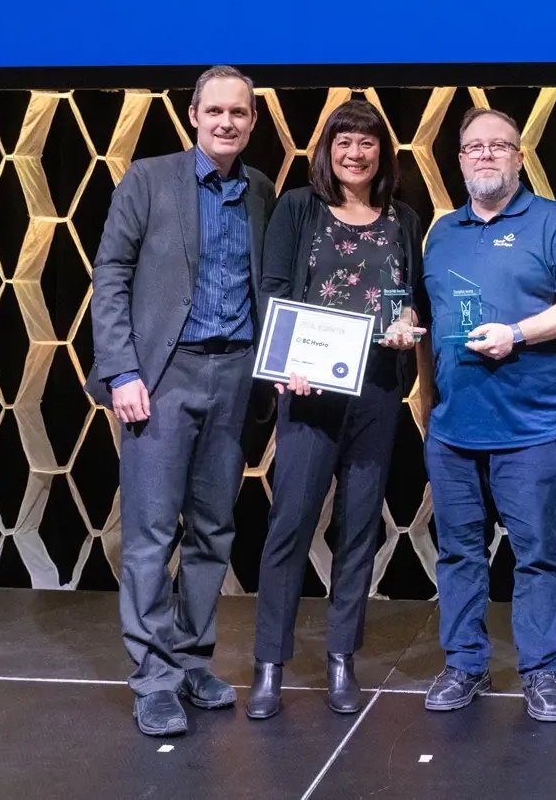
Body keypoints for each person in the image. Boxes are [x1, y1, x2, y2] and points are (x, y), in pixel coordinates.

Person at [88, 66, 276, 737]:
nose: (227, 122)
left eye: (239, 113)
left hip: (236, 376)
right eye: (215, 111)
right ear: (193, 115)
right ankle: (154, 677)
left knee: (214, 529)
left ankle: (194, 660)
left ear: (253, 121)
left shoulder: (260, 190)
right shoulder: (148, 179)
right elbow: (110, 273)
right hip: (162, 377)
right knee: (150, 532)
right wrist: (121, 371)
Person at [419, 107, 556, 722]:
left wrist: (517, 334)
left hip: (533, 428)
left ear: (520, 157)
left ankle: (541, 671)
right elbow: (431, 320)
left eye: (499, 146)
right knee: (458, 554)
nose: (486, 156)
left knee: (539, 555)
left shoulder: (552, 223)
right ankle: (465, 664)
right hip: (453, 428)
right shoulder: (442, 233)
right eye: (475, 147)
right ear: (459, 160)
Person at [246, 99, 429, 720]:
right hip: (309, 391)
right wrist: (283, 362)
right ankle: (269, 665)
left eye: (367, 142)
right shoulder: (299, 208)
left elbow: (408, 296)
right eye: (344, 141)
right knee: (290, 526)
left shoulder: (403, 217)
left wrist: (407, 323)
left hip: (376, 391)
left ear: (383, 152)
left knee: (359, 528)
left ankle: (341, 659)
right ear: (327, 150)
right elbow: (273, 290)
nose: (356, 152)